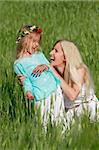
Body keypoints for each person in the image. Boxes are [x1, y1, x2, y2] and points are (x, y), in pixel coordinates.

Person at [33, 39, 99, 129]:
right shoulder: (52, 72)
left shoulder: (79, 69)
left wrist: (53, 72)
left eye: (56, 51)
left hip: (89, 112)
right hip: (69, 115)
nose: (50, 53)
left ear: (65, 56)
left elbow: (72, 95)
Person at [14, 25, 65, 128]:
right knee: (43, 122)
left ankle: (64, 137)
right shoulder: (19, 64)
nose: (37, 45)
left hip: (54, 90)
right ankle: (45, 140)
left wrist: (45, 66)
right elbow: (25, 80)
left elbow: (50, 68)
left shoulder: (39, 55)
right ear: (24, 41)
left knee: (59, 118)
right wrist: (28, 91)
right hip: (39, 95)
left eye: (38, 42)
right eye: (34, 42)